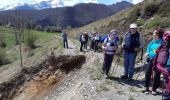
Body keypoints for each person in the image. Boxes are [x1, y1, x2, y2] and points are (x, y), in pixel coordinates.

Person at [143, 29, 164, 94]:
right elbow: (149, 47)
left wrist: (152, 53)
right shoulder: (153, 41)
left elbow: (160, 51)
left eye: (154, 33)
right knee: (147, 73)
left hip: (158, 61)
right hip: (151, 59)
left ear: (158, 35)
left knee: (157, 75)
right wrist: (148, 52)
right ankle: (146, 88)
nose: (153, 34)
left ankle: (154, 89)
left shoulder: (162, 42)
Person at [154, 31, 170, 100]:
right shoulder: (165, 44)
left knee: (166, 83)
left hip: (166, 68)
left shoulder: (165, 44)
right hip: (165, 67)